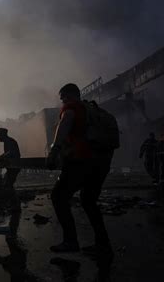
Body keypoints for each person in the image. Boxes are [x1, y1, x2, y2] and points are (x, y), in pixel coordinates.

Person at [46, 83, 113, 263]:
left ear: (69, 96)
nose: (61, 101)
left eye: (62, 98)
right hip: (100, 164)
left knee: (58, 196)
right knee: (88, 201)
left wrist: (54, 150)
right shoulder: (93, 111)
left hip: (80, 161)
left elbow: (66, 121)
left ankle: (70, 241)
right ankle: (102, 244)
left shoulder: (72, 107)